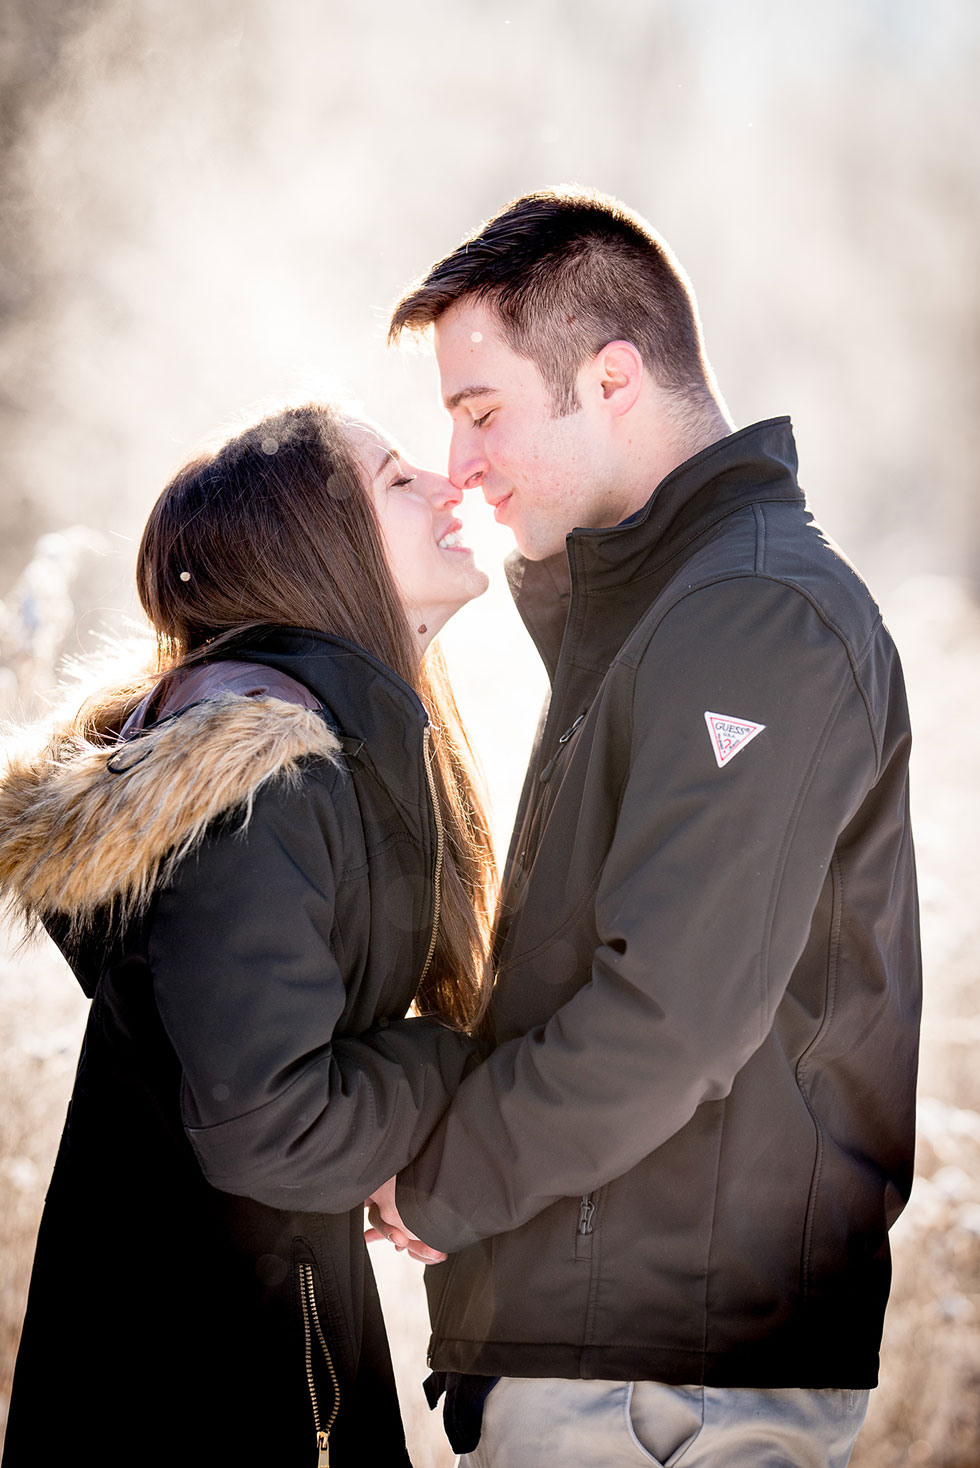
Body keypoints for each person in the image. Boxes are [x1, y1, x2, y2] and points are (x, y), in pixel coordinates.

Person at [368, 188, 922, 1467]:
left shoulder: (753, 618)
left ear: (610, 377)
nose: (460, 466)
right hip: (622, 1358)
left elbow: (670, 1013)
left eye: (480, 411)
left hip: (662, 1383)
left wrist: (445, 1181)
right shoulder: (661, 609)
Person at [0, 402, 498, 1467]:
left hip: (252, 1324)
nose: (448, 482)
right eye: (397, 478)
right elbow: (269, 1129)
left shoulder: (332, 749)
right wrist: (452, 1065)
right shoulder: (261, 780)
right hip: (197, 1380)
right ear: (313, 549)